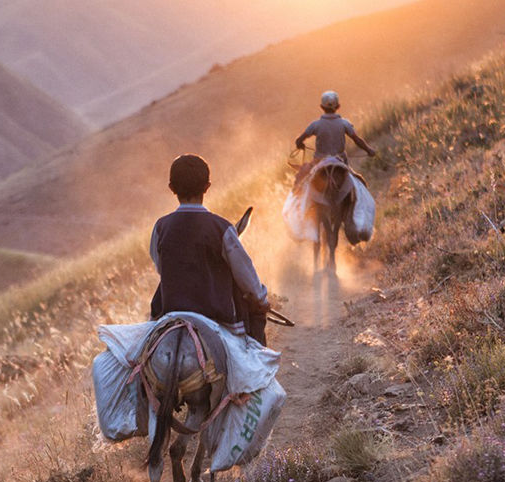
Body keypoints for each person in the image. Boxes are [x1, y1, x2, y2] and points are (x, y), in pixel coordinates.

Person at [150, 154, 271, 345]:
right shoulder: (222, 228)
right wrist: (261, 299)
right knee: (255, 343)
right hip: (217, 318)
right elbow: (244, 273)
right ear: (207, 187)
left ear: (171, 188)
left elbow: (160, 266)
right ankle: (260, 367)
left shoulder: (160, 227)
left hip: (169, 313)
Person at [292, 90, 376, 187]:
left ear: (321, 107)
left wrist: (300, 144)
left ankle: (296, 195)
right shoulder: (345, 124)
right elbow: (357, 140)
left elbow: (299, 140)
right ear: (338, 107)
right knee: (360, 182)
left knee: (300, 184)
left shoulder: (315, 125)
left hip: (319, 162)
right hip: (340, 161)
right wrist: (369, 150)